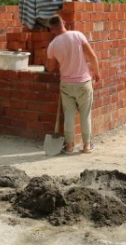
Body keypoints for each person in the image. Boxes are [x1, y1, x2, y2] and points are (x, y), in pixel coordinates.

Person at [45, 15, 101, 154]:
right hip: (83, 82)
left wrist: (48, 62)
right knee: (85, 114)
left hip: (66, 84)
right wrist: (96, 72)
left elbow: (50, 67)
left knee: (69, 115)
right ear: (63, 23)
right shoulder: (77, 35)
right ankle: (86, 146)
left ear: (52, 29)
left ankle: (69, 146)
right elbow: (92, 56)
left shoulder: (53, 45)